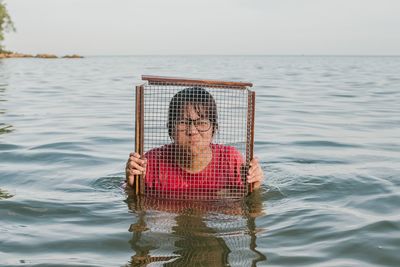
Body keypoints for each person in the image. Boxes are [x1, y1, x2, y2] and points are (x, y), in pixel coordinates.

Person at [125, 87, 264, 198]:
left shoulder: (230, 160)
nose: (192, 131)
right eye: (183, 122)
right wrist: (132, 188)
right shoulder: (151, 162)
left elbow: (252, 212)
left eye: (201, 122)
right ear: (170, 129)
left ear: (214, 129)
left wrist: (255, 188)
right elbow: (134, 211)